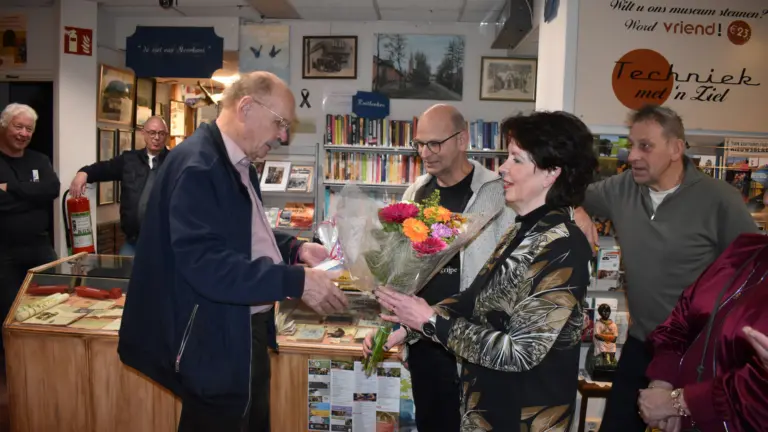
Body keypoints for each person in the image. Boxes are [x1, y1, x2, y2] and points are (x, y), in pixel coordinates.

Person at [117, 71, 348, 432]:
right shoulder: (200, 166)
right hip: (214, 339)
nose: (283, 136)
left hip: (237, 330)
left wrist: (295, 250)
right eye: (280, 123)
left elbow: (236, 234)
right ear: (245, 107)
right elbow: (208, 265)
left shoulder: (231, 162)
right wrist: (298, 281)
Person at [373, 111, 597, 430]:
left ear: (551, 172)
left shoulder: (561, 244)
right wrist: (409, 325)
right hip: (491, 409)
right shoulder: (523, 230)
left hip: (521, 417)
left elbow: (520, 352)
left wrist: (430, 322)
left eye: (516, 160)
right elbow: (473, 299)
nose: (503, 168)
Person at [572, 104, 758, 431]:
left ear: (676, 149)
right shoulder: (621, 188)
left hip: (698, 354)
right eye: (631, 145)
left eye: (645, 146)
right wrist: (578, 209)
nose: (632, 156)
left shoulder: (720, 200)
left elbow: (753, 273)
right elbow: (568, 194)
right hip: (642, 343)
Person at [362, 104, 516, 431]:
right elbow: (399, 267)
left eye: (434, 143)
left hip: (473, 341)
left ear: (462, 139)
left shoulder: (497, 193)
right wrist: (389, 326)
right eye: (419, 144)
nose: (424, 153)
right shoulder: (417, 191)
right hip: (423, 342)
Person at [638, 232, 768, 432]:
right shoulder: (745, 249)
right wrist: (663, 383)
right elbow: (681, 317)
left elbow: (759, 387)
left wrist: (679, 402)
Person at [0, 103, 59, 353]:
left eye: (29, 129)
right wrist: (34, 198)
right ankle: (14, 370)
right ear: (4, 125)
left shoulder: (39, 159)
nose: (24, 133)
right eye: (18, 126)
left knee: (51, 307)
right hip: (5, 253)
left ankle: (44, 361)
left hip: (41, 249)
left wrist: (11, 188)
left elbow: (52, 190)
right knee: (10, 314)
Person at [68, 116, 170, 256]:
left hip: (164, 244)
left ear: (166, 135)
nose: (156, 137)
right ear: (143, 133)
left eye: (161, 133)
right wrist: (84, 173)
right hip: (133, 243)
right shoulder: (129, 160)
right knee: (125, 276)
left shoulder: (175, 162)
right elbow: (104, 169)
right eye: (152, 132)